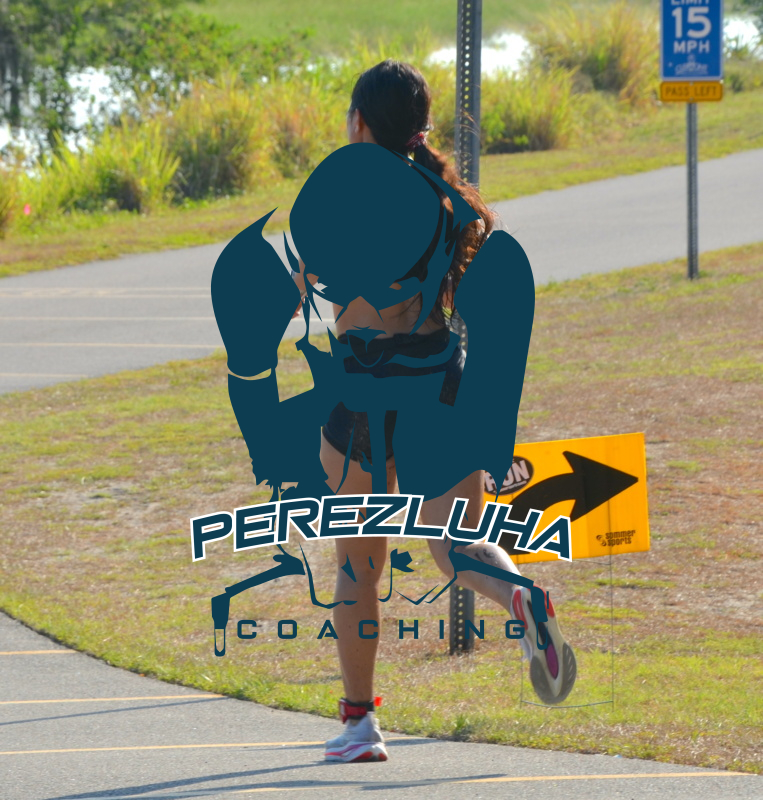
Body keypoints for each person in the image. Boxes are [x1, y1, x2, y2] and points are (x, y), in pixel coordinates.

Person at [286, 60, 577, 763]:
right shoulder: (446, 197)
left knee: (359, 564)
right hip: (442, 383)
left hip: (364, 394)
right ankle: (520, 597)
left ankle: (359, 725)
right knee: (457, 546)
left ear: (359, 122)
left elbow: (304, 291)